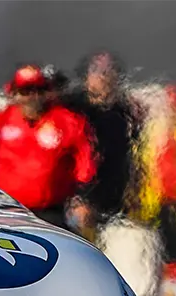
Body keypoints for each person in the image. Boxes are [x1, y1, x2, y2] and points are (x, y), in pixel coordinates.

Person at [0, 64, 97, 228]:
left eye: (38, 90)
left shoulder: (68, 122)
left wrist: (83, 200)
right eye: (25, 91)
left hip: (51, 212)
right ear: (14, 94)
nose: (32, 97)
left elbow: (85, 166)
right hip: (6, 211)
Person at [64, 51, 144, 232]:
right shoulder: (72, 109)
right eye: (97, 71)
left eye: (109, 71)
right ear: (86, 77)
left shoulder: (127, 111)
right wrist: (78, 198)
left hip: (116, 200)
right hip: (78, 202)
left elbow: (135, 156)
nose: (104, 77)